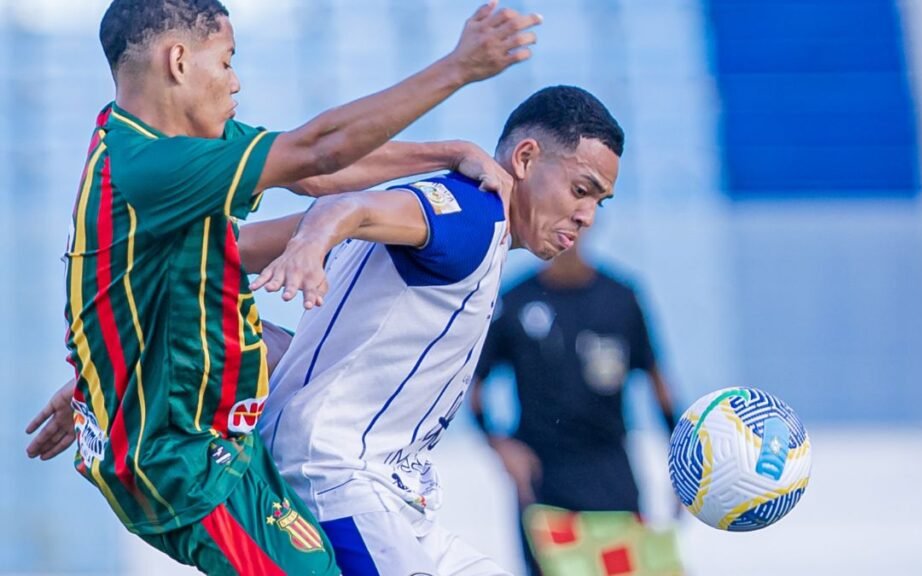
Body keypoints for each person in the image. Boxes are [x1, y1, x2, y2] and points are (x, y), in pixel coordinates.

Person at [31, 0, 541, 573]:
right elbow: (318, 148)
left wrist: (446, 154)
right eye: (226, 61)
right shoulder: (154, 168)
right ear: (178, 61)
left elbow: (314, 173)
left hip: (218, 440)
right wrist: (459, 67)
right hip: (183, 466)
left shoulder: (145, 141)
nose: (235, 81)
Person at [243, 85, 624, 575]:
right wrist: (311, 244)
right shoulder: (475, 216)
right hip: (339, 481)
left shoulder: (468, 226)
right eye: (581, 190)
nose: (587, 216)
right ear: (526, 159)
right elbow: (349, 207)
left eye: (600, 202)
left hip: (394, 496)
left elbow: (240, 248)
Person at [470, 234, 676, 575]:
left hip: (610, 473)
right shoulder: (517, 300)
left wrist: (679, 468)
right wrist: (500, 445)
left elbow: (657, 380)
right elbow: (473, 382)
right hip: (543, 477)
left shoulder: (621, 297)